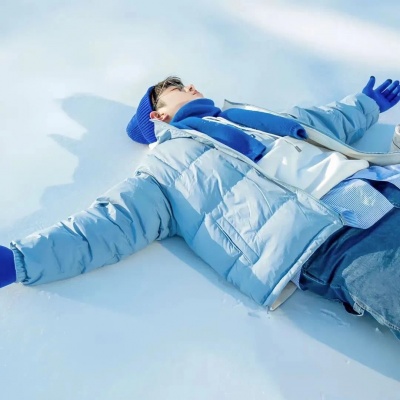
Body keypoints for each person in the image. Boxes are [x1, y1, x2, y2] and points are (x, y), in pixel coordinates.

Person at [1, 75, 400, 340]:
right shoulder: (165, 168)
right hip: (334, 240)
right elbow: (109, 224)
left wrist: (366, 104)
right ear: (158, 114)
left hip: (383, 186)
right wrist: (19, 261)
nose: (190, 85)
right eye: (175, 86)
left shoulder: (249, 115)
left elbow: (319, 122)